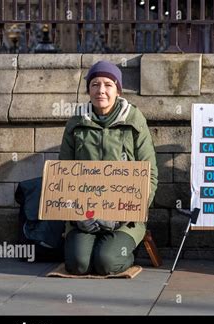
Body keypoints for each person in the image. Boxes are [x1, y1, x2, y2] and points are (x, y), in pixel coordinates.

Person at [59, 61, 158, 275]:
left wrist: (125, 213)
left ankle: (126, 252)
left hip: (124, 217)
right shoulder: (76, 122)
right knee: (78, 265)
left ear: (118, 90)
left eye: (107, 84)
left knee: (105, 263)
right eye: (94, 84)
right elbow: (62, 176)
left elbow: (149, 175)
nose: (101, 91)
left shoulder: (134, 121)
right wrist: (77, 215)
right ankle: (89, 245)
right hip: (84, 216)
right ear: (88, 89)